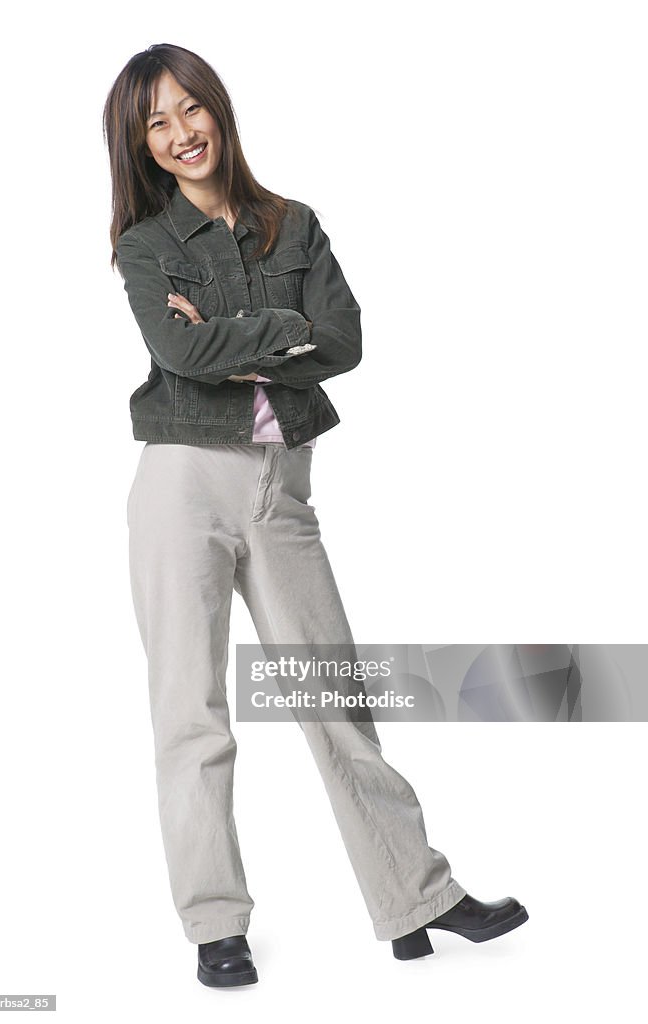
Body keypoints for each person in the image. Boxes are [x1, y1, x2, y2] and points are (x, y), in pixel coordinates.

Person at [103, 42, 528, 989]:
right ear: (140, 146)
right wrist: (272, 333)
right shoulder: (145, 245)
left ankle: (416, 897)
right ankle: (217, 925)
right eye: (155, 125)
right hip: (180, 481)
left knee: (334, 697)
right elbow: (179, 358)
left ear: (217, 107)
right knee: (193, 712)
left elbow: (345, 339)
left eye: (188, 110)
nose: (180, 134)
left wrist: (238, 340)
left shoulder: (291, 226)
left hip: (281, 485)